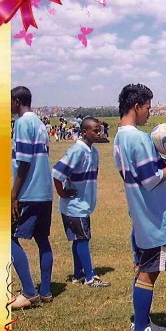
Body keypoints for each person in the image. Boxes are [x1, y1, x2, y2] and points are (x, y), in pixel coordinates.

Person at [113, 83, 166, 331]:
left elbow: (143, 174)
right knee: (148, 272)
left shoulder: (120, 138)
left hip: (142, 213)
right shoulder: (138, 138)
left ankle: (142, 321)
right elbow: (151, 180)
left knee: (148, 270)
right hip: (155, 216)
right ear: (137, 106)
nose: (149, 113)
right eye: (147, 107)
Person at [52, 117, 110, 288]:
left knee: (79, 239)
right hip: (74, 206)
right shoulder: (77, 150)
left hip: (84, 205)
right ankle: (90, 277)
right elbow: (57, 173)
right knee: (83, 239)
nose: (99, 133)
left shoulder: (94, 152)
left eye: (99, 130)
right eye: (95, 130)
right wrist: (62, 192)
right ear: (84, 132)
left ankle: (78, 274)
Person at [10, 86, 54, 309]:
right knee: (42, 239)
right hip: (44, 191)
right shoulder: (39, 123)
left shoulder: (22, 123)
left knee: (7, 238)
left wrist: (14, 194)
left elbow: (24, 162)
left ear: (17, 101)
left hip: (29, 191)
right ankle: (45, 291)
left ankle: (29, 292)